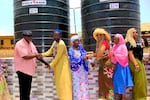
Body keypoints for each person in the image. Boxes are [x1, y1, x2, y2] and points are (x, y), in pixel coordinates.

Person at [40, 29, 72, 100]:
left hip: (63, 68)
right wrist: (41, 54)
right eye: (54, 35)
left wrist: (50, 65)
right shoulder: (55, 43)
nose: (55, 36)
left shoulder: (61, 44)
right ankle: (61, 98)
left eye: (57, 35)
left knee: (64, 84)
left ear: (60, 36)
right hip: (57, 67)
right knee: (59, 84)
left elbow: (58, 57)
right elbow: (50, 51)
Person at [14, 30, 38, 100]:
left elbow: (35, 53)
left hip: (29, 71)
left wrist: (40, 57)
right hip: (22, 71)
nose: (30, 37)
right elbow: (25, 56)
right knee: (23, 91)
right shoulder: (20, 44)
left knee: (27, 91)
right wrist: (35, 55)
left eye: (30, 36)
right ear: (24, 36)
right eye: (28, 36)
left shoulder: (31, 43)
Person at [125, 28, 147, 100]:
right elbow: (130, 54)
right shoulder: (129, 42)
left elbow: (138, 53)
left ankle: (141, 97)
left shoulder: (135, 42)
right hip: (135, 61)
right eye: (134, 32)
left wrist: (143, 59)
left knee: (142, 80)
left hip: (138, 61)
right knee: (139, 81)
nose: (136, 34)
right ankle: (139, 97)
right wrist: (135, 64)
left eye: (136, 32)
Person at [111, 34, 133, 100]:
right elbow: (113, 57)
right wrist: (112, 55)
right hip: (117, 66)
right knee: (118, 82)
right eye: (114, 39)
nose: (114, 40)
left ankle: (124, 98)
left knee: (123, 82)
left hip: (123, 67)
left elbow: (124, 56)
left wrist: (115, 55)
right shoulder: (114, 46)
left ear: (119, 39)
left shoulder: (123, 46)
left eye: (115, 39)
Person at [93, 28, 114, 99]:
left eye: (100, 35)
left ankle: (110, 98)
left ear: (104, 35)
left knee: (108, 84)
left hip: (107, 65)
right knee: (102, 83)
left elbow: (98, 56)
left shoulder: (104, 42)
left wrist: (97, 57)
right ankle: (104, 97)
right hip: (103, 65)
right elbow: (98, 55)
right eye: (97, 35)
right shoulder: (99, 44)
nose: (99, 36)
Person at [68, 35, 89, 100]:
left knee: (83, 84)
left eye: (78, 41)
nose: (77, 42)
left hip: (82, 70)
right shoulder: (71, 50)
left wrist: (86, 59)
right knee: (77, 85)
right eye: (76, 41)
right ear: (73, 42)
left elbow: (85, 55)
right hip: (76, 70)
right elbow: (73, 59)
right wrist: (82, 58)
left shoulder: (81, 49)